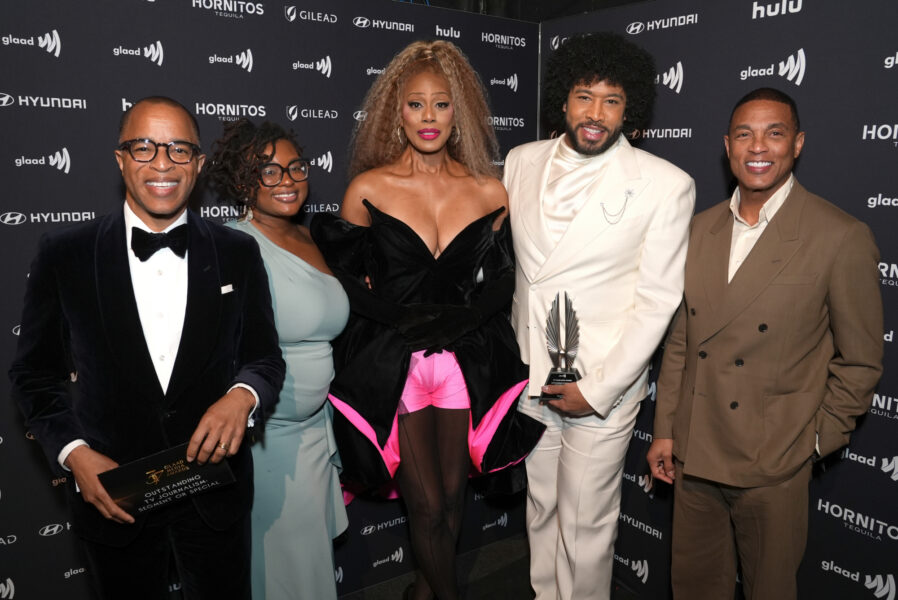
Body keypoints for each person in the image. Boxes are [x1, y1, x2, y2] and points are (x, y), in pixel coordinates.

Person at [9, 97, 285, 600]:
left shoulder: (238, 252)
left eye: (179, 149)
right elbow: (34, 376)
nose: (162, 163)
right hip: (112, 496)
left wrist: (242, 396)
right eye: (144, 147)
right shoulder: (64, 255)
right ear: (120, 159)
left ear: (199, 164)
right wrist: (74, 454)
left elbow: (264, 358)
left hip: (214, 491)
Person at [311, 40, 544, 600]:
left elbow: (507, 278)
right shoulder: (369, 188)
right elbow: (342, 278)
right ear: (398, 112)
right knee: (429, 506)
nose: (429, 117)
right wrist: (394, 315)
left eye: (441, 104)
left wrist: (468, 317)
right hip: (397, 366)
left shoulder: (488, 190)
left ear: (458, 111)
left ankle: (423, 590)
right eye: (416, 104)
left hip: (464, 364)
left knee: (453, 500)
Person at [647, 87, 883, 600]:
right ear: (727, 146)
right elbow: (683, 341)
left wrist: (817, 440)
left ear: (797, 144)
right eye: (744, 135)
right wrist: (665, 429)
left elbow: (861, 360)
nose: (758, 147)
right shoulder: (699, 229)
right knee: (693, 588)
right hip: (695, 451)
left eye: (774, 134)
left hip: (774, 461)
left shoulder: (839, 235)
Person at [503, 32, 695, 600]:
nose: (595, 114)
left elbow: (658, 300)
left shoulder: (665, 184)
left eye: (612, 101)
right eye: (584, 96)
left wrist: (599, 389)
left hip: (602, 384)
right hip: (530, 375)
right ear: (563, 100)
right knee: (541, 508)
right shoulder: (519, 162)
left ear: (629, 109)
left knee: (585, 525)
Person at [206, 119, 348, 600]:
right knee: (284, 567)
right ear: (243, 181)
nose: (286, 180)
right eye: (268, 171)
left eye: (295, 167)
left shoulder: (310, 238)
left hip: (315, 430)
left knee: (306, 563)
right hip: (266, 438)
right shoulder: (231, 245)